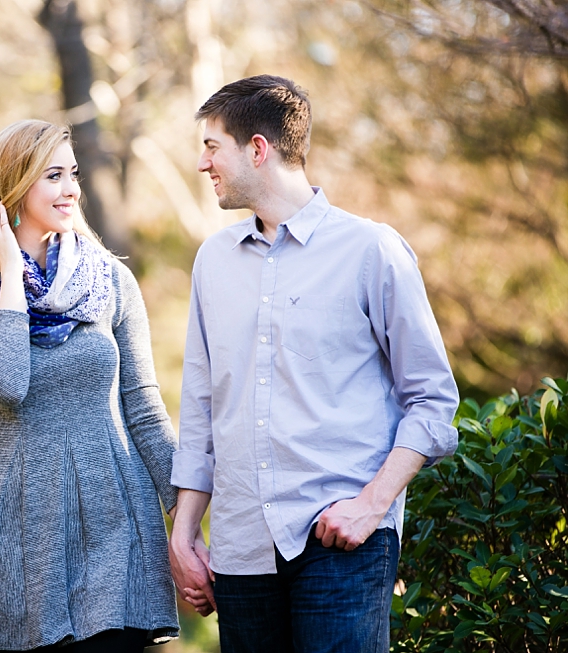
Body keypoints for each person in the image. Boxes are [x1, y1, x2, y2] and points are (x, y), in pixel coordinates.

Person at [167, 75, 460, 653]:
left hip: (343, 541)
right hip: (242, 550)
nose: (203, 163)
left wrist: (371, 506)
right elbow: (201, 407)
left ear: (258, 148)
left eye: (212, 146)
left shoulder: (371, 250)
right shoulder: (213, 262)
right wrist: (184, 532)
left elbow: (432, 400)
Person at [0, 120, 180, 652]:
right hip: (20, 516)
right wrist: (11, 280)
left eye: (74, 174)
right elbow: (6, 384)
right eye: (53, 176)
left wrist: (185, 516)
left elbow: (143, 406)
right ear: (13, 187)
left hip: (114, 506)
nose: (71, 189)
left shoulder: (109, 280)